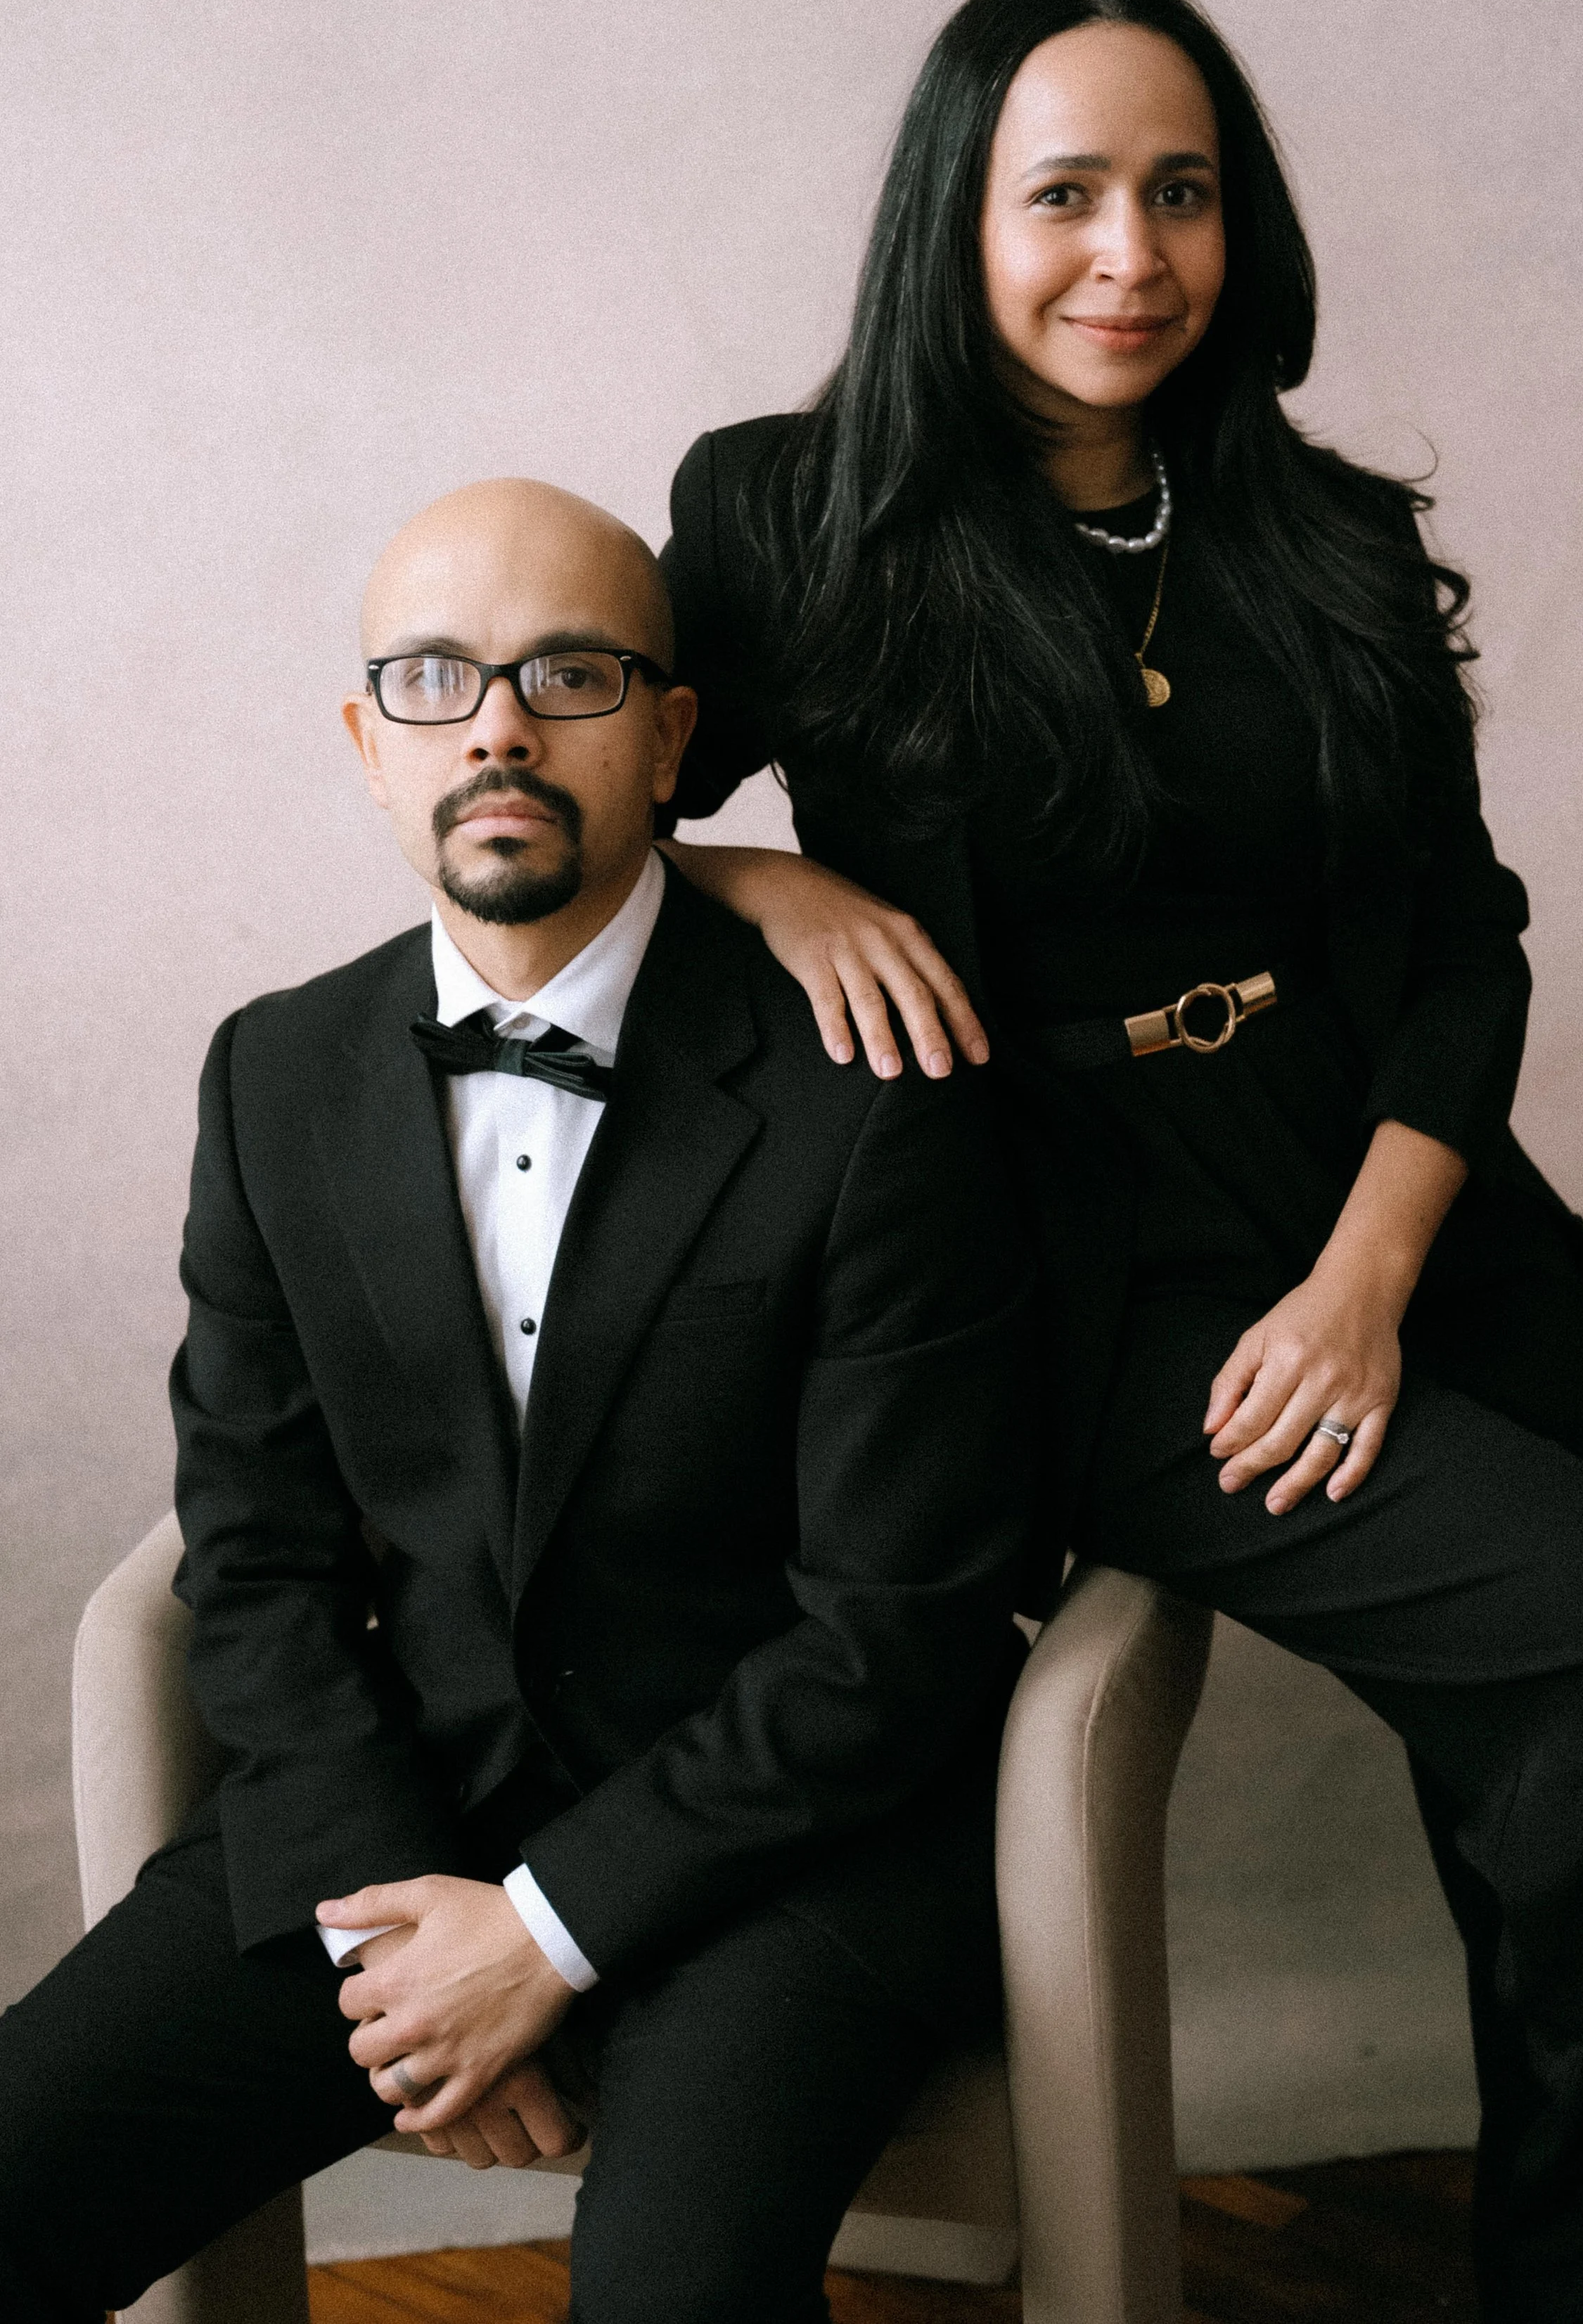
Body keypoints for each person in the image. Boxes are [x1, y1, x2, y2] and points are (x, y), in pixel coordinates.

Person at [655, 0, 1583, 2320]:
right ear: (955, 218)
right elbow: (566, 795)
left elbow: (1463, 945)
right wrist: (766, 872)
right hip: (1061, 1260)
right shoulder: (784, 507)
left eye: (1180, 192)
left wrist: (1367, 1279)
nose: (1127, 255)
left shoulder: (1325, 533)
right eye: (1061, 195)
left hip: (1386, 1193)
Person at [0, 479, 1033, 2324]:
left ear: (667, 737)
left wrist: (543, 1932)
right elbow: (253, 1547)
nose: (496, 722)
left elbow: (897, 1626)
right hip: (398, 1809)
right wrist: (408, 1917)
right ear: (366, 745)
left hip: (789, 1848)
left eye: (567, 670)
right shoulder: (274, 1073)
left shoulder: (871, 1074)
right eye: (433, 678)